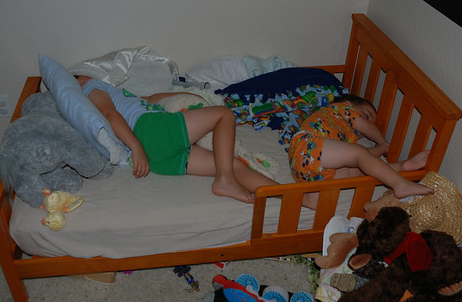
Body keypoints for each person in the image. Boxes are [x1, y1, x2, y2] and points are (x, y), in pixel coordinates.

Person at [76, 75, 303, 206]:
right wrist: (136, 148)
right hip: (152, 131)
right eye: (82, 75)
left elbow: (150, 99)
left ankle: (295, 199)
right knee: (223, 115)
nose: (92, 74)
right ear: (77, 81)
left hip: (158, 158)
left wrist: (191, 97)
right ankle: (224, 180)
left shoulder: (114, 92)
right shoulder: (91, 88)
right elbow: (107, 114)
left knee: (231, 163)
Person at [288, 94, 434, 200]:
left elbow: (365, 158)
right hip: (306, 145)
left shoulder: (345, 139)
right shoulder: (340, 109)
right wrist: (383, 143)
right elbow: (365, 131)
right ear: (349, 104)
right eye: (366, 115)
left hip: (309, 173)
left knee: (359, 170)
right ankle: (400, 184)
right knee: (359, 155)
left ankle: (403, 166)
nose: (364, 126)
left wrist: (380, 150)